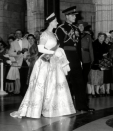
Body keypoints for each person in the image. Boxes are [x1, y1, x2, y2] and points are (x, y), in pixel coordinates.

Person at [10, 12, 75, 118]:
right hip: (46, 61)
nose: (57, 22)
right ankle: (40, 109)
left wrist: (58, 52)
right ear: (51, 22)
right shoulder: (44, 34)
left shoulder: (53, 34)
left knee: (55, 84)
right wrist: (53, 52)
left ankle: (55, 109)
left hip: (53, 61)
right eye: (55, 21)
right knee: (44, 85)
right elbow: (40, 49)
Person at [55, 6, 95, 112]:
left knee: (80, 83)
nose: (74, 17)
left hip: (76, 59)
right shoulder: (61, 28)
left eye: (75, 15)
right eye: (72, 15)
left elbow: (77, 46)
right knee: (66, 83)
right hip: (66, 58)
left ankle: (82, 106)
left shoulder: (76, 29)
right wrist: (62, 61)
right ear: (67, 16)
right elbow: (60, 46)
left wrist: (80, 60)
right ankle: (64, 107)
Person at [8, 29, 30, 96]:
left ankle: (27, 91)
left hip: (27, 60)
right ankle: (22, 91)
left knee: (27, 76)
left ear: (21, 34)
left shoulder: (26, 40)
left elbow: (31, 48)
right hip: (19, 62)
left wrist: (27, 51)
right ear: (15, 35)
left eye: (20, 33)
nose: (18, 34)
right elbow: (10, 53)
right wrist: (17, 53)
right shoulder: (13, 43)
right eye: (17, 33)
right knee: (20, 77)